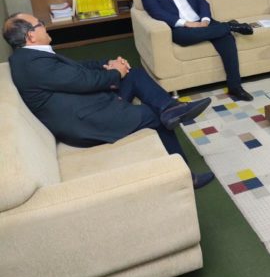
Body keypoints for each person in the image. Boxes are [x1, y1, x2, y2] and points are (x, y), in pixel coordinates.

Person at [3, 12, 215, 189]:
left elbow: (77, 69)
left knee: (135, 75)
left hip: (88, 105)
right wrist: (116, 72)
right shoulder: (33, 64)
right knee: (152, 115)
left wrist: (108, 63)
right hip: (87, 122)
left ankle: (171, 108)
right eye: (40, 23)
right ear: (31, 35)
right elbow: (84, 81)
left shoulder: (30, 57)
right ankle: (187, 178)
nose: (45, 25)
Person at [141, 0, 254, 101]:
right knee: (191, 36)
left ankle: (235, 87)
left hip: (202, 21)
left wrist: (205, 20)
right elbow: (156, 12)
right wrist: (186, 23)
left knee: (227, 39)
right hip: (180, 28)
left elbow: (201, 1)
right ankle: (230, 26)